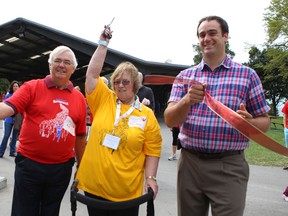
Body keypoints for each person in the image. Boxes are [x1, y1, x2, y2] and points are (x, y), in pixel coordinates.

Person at [164, 15, 270, 216]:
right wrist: (186, 100)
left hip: (229, 166)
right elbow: (170, 119)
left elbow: (264, 122)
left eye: (212, 33)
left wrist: (250, 122)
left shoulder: (247, 75)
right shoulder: (185, 77)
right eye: (202, 35)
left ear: (225, 36)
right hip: (190, 164)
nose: (206, 38)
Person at [75, 26, 162, 216]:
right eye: (117, 81)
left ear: (135, 85)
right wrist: (103, 44)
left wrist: (151, 178)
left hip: (126, 193)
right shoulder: (104, 99)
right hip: (94, 187)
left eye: (126, 81)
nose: (120, 85)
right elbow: (91, 75)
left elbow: (153, 150)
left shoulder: (146, 115)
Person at [0, 45, 87, 216]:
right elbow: (6, 109)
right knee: (23, 211)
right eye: (57, 61)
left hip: (61, 169)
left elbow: (80, 136)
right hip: (30, 165)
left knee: (50, 211)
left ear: (73, 69)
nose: (62, 65)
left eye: (67, 62)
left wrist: (81, 165)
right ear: (50, 65)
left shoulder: (79, 99)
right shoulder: (32, 87)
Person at [0, 81, 20, 158]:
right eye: (14, 86)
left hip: (17, 119)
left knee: (15, 136)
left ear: (19, 87)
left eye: (17, 86)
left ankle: (12, 151)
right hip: (9, 119)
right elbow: (5, 105)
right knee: (6, 135)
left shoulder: (21, 96)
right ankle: (1, 152)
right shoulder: (8, 95)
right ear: (12, 87)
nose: (15, 87)